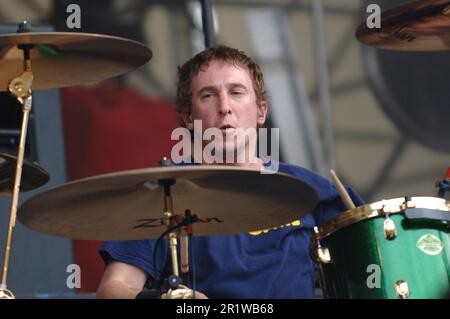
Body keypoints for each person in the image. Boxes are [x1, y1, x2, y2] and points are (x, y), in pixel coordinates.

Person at [96, 45, 363, 299]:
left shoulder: (311, 190)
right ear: (189, 117)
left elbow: (375, 262)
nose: (224, 107)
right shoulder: (163, 191)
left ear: (261, 111)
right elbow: (114, 287)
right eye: (208, 96)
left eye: (236, 92)